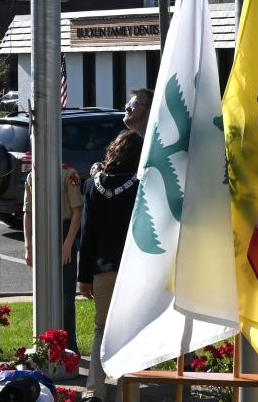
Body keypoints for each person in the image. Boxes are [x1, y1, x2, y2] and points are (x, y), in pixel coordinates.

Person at [77, 130, 143, 402]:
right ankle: (128, 391)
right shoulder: (142, 184)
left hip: (102, 270)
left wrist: (84, 277)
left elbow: (86, 233)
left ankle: (94, 389)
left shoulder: (93, 185)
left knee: (100, 330)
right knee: (133, 331)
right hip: (135, 270)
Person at [23, 162, 84, 354]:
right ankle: (45, 344)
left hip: (64, 232)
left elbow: (77, 210)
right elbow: (28, 212)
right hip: (41, 233)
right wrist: (28, 245)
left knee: (66, 295)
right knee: (43, 291)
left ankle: (69, 345)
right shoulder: (33, 175)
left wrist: (68, 243)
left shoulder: (68, 173)